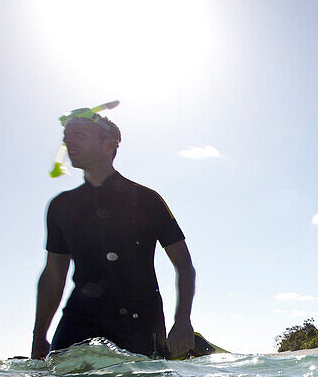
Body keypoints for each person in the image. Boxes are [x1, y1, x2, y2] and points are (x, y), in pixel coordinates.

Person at [31, 111, 196, 359]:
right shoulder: (61, 206)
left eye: (79, 135)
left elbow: (183, 264)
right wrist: (39, 335)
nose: (68, 142)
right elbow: (53, 274)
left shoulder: (147, 200)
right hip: (79, 319)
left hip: (140, 320)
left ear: (109, 145)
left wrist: (182, 320)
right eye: (66, 136)